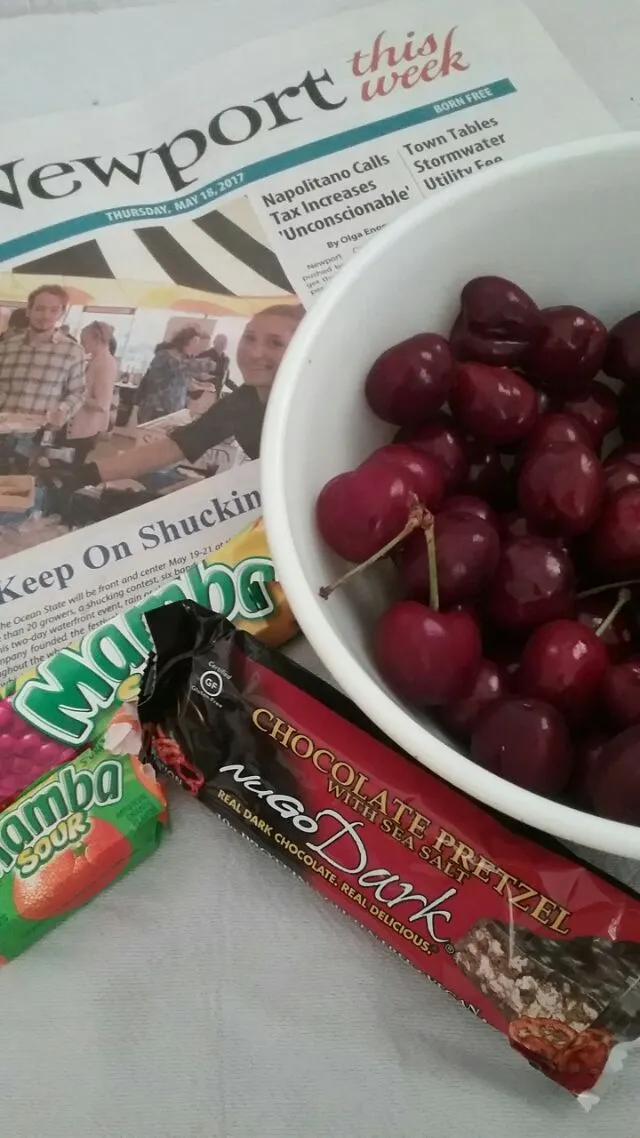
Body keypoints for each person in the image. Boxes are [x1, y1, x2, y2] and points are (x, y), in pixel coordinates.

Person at [45, 303, 304, 488]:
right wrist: (87, 474)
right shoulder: (243, 400)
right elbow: (175, 446)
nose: (254, 352)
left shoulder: (310, 407)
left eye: (275, 343)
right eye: (249, 338)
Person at [0, 284, 85, 426]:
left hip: (39, 435)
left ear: (61, 313)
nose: (46, 316)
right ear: (28, 311)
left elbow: (78, 392)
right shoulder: (6, 347)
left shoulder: (73, 351)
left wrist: (61, 411)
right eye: (39, 309)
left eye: (53, 310)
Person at [136, 326, 212, 423]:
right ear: (193, 341)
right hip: (156, 410)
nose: (199, 353)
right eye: (200, 348)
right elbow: (177, 366)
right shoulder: (165, 355)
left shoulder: (183, 359)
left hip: (172, 412)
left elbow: (185, 383)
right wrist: (209, 365)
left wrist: (203, 386)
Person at [66, 321, 119, 462]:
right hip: (82, 426)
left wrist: (75, 395)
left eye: (84, 340)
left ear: (97, 339)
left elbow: (102, 404)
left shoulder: (105, 363)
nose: (81, 344)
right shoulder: (96, 360)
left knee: (73, 467)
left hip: (86, 428)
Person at [198, 332, 231, 398]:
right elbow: (196, 375)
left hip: (217, 395)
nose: (222, 345)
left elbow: (225, 379)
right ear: (214, 342)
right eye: (220, 342)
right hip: (202, 394)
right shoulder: (204, 355)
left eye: (224, 343)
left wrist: (238, 390)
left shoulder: (226, 359)